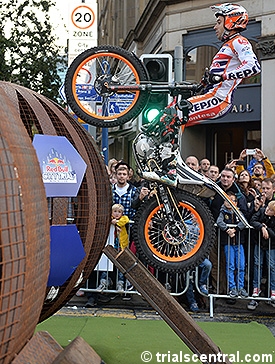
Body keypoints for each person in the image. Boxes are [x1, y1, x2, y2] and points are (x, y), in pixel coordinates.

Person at [141, 3, 261, 185]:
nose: (215, 26)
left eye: (219, 22)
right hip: (211, 96)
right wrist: (201, 84)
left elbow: (253, 66)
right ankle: (163, 162)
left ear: (231, 22)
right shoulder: (227, 46)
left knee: (174, 115)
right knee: (170, 112)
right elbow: (213, 79)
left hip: (219, 100)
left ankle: (170, 170)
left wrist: (223, 75)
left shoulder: (239, 41)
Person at [216, 191, 248, 298]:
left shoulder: (239, 212)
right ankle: (232, 288)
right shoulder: (222, 212)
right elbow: (219, 222)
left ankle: (241, 287)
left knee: (241, 266)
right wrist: (227, 229)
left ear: (236, 202)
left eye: (232, 200)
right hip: (228, 243)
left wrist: (235, 229)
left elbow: (244, 222)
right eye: (227, 199)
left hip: (239, 243)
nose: (230, 202)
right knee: (230, 266)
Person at [248, 201, 275, 310]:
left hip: (271, 246)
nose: (267, 210)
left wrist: (267, 229)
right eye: (267, 208)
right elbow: (252, 220)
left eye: (270, 210)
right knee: (257, 264)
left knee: (272, 267)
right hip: (259, 243)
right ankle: (256, 288)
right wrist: (261, 227)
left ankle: (273, 290)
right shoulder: (262, 211)